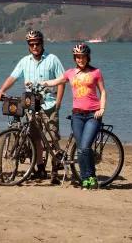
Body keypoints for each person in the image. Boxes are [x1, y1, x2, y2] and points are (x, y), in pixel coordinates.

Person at [0, 30, 65, 184]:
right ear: (28, 46)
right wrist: (1, 90)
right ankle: (40, 169)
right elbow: (13, 77)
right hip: (31, 106)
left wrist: (58, 103)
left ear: (42, 43)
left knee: (52, 137)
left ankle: (55, 168)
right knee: (35, 139)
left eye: (37, 43)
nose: (35, 46)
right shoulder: (25, 61)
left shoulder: (53, 59)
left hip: (49, 105)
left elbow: (62, 81)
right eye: (31, 44)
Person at [41, 43, 106, 190]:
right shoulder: (70, 73)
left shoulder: (96, 72)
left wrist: (102, 108)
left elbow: (102, 92)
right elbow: (56, 81)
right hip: (77, 115)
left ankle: (92, 177)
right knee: (81, 150)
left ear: (87, 57)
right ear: (74, 58)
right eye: (77, 57)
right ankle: (85, 179)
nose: (80, 59)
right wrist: (41, 83)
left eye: (82, 57)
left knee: (84, 147)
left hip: (92, 115)